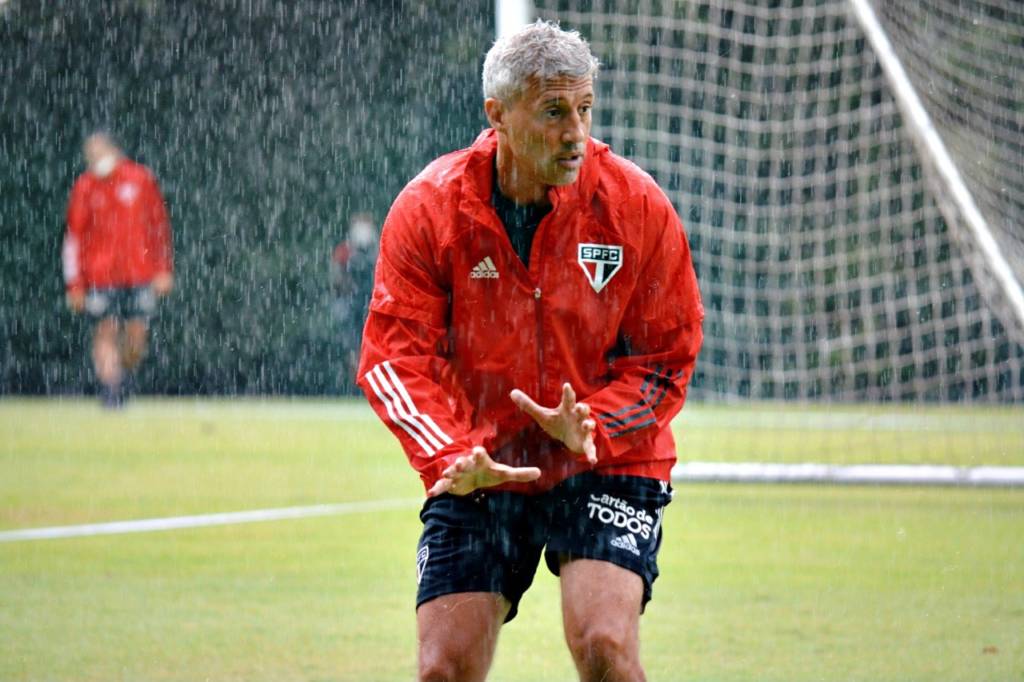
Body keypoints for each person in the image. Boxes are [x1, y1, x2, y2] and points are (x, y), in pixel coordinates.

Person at [357, 20, 703, 682]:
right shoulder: (429, 209)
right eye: (553, 112)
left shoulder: (636, 205)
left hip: (607, 460)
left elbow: (667, 357)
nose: (576, 132)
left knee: (604, 645)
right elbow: (395, 362)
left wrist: (595, 423)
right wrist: (453, 455)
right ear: (499, 115)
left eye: (585, 108)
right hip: (482, 463)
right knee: (443, 668)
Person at [63, 132, 174, 407]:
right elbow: (74, 237)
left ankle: (123, 376)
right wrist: (75, 283)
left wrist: (163, 268)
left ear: (113, 150)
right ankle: (111, 388)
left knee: (136, 336)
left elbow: (158, 227)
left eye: (99, 152)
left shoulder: (140, 179)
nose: (95, 158)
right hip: (100, 276)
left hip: (140, 273)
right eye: (91, 154)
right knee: (106, 329)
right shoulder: (85, 186)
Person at [330, 213, 379, 392]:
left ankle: (370, 383)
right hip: (352, 305)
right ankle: (355, 385)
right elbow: (336, 279)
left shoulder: (378, 250)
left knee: (372, 346)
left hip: (372, 304)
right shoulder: (345, 251)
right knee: (353, 346)